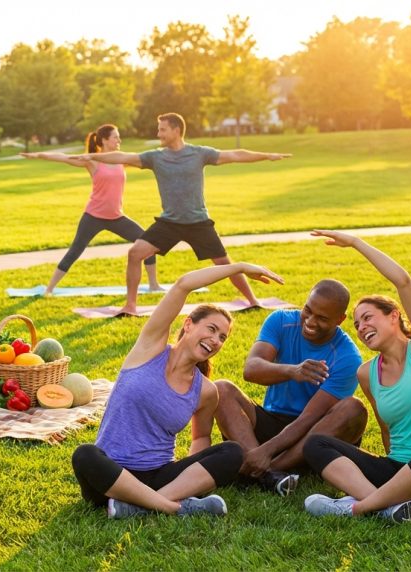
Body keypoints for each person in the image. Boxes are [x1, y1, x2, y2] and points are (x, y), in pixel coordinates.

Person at [72, 262, 284, 518]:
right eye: (212, 329)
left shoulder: (205, 390)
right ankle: (170, 507)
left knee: (232, 452)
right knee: (85, 455)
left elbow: (200, 440)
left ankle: (140, 505)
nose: (216, 340)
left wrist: (190, 477)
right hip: (111, 475)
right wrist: (238, 267)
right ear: (188, 324)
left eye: (222, 338)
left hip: (160, 476)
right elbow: (183, 284)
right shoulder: (149, 350)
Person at [301, 230, 411, 523]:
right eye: (356, 323)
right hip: (396, 470)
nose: (361, 327)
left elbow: (403, 281)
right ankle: (389, 505)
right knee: (316, 444)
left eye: (368, 317)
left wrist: (355, 243)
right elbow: (387, 429)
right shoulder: (367, 372)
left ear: (393, 315)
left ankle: (360, 507)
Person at [75, 112, 291, 315]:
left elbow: (235, 154)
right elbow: (123, 157)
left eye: (162, 130)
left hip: (198, 222)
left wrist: (267, 155)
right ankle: (130, 306)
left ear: (176, 130)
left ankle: (253, 301)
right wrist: (92, 156)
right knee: (135, 254)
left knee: (225, 264)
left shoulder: (199, 153)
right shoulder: (155, 157)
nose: (158, 134)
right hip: (169, 223)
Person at [213, 280, 367, 496]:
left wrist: (266, 451)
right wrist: (292, 371)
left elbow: (309, 419)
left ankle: (265, 467)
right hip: (273, 419)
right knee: (221, 388)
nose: (311, 321)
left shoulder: (347, 356)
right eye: (308, 310)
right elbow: (251, 369)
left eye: (322, 318)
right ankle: (266, 472)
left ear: (340, 320)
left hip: (314, 435)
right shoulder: (281, 320)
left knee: (354, 408)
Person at [20, 124, 161, 296]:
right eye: (115, 137)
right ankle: (49, 289)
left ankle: (153, 285)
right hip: (93, 216)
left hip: (116, 216)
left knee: (146, 243)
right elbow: (64, 157)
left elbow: (145, 158)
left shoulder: (120, 159)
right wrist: (39, 155)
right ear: (104, 140)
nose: (119, 140)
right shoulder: (92, 161)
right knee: (75, 251)